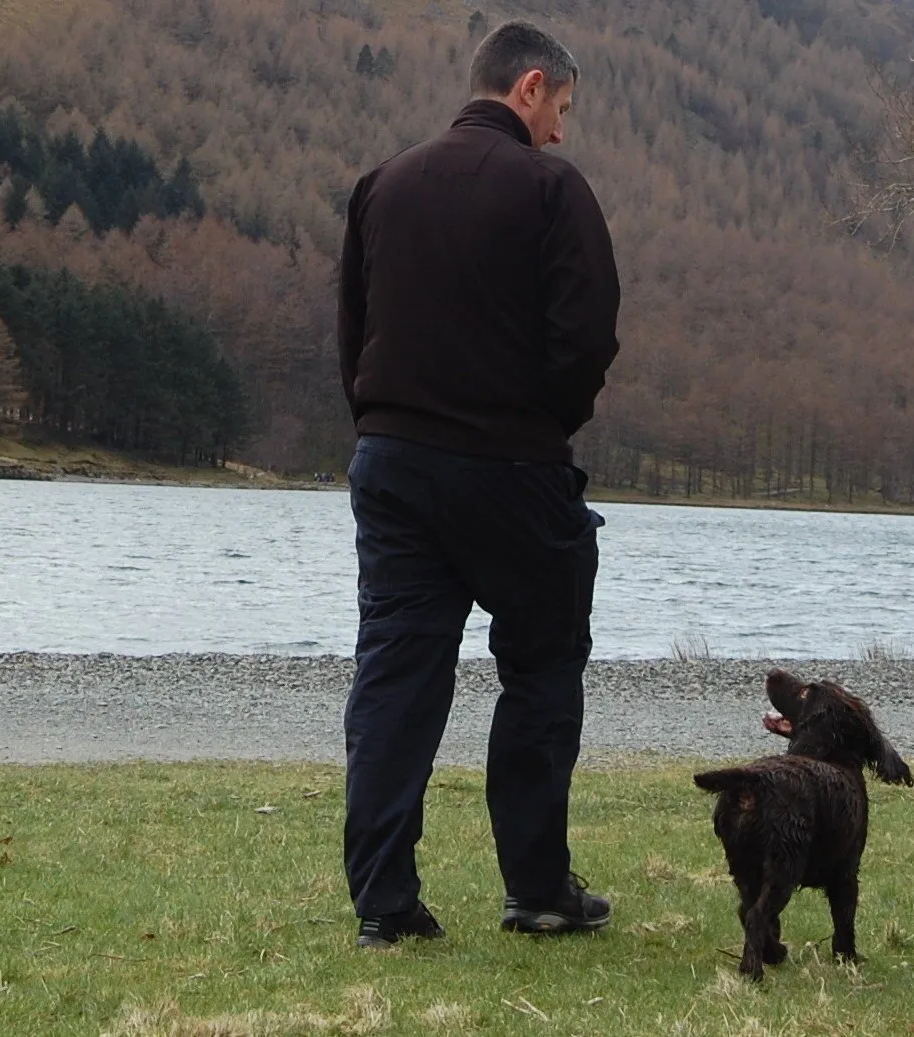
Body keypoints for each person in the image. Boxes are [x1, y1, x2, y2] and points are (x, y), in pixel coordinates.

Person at [337, 18, 622, 949]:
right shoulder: (551, 188)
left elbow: (354, 333)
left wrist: (387, 427)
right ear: (530, 87)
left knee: (396, 674)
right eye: (563, 109)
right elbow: (586, 337)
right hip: (513, 469)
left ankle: (384, 902)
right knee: (540, 668)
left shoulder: (382, 186)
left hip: (392, 463)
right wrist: (541, 426)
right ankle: (538, 889)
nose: (563, 132)